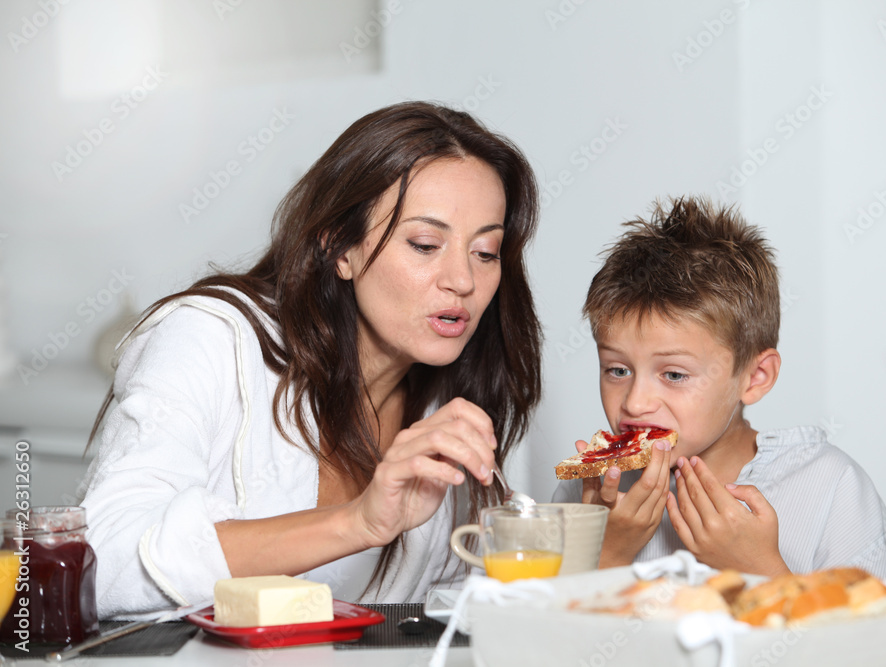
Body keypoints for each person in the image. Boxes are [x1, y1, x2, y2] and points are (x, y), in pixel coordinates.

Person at [79, 101, 542, 618]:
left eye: (485, 252)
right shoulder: (211, 341)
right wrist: (357, 522)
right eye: (425, 243)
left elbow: (473, 616)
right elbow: (99, 564)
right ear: (340, 248)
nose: (462, 280)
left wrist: (610, 536)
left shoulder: (451, 412)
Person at [552, 196, 886, 579]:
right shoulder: (589, 495)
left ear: (755, 377)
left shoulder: (831, 489)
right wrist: (606, 554)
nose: (635, 403)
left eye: (674, 375)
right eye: (617, 370)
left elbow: (872, 637)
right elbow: (539, 634)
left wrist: (760, 569)